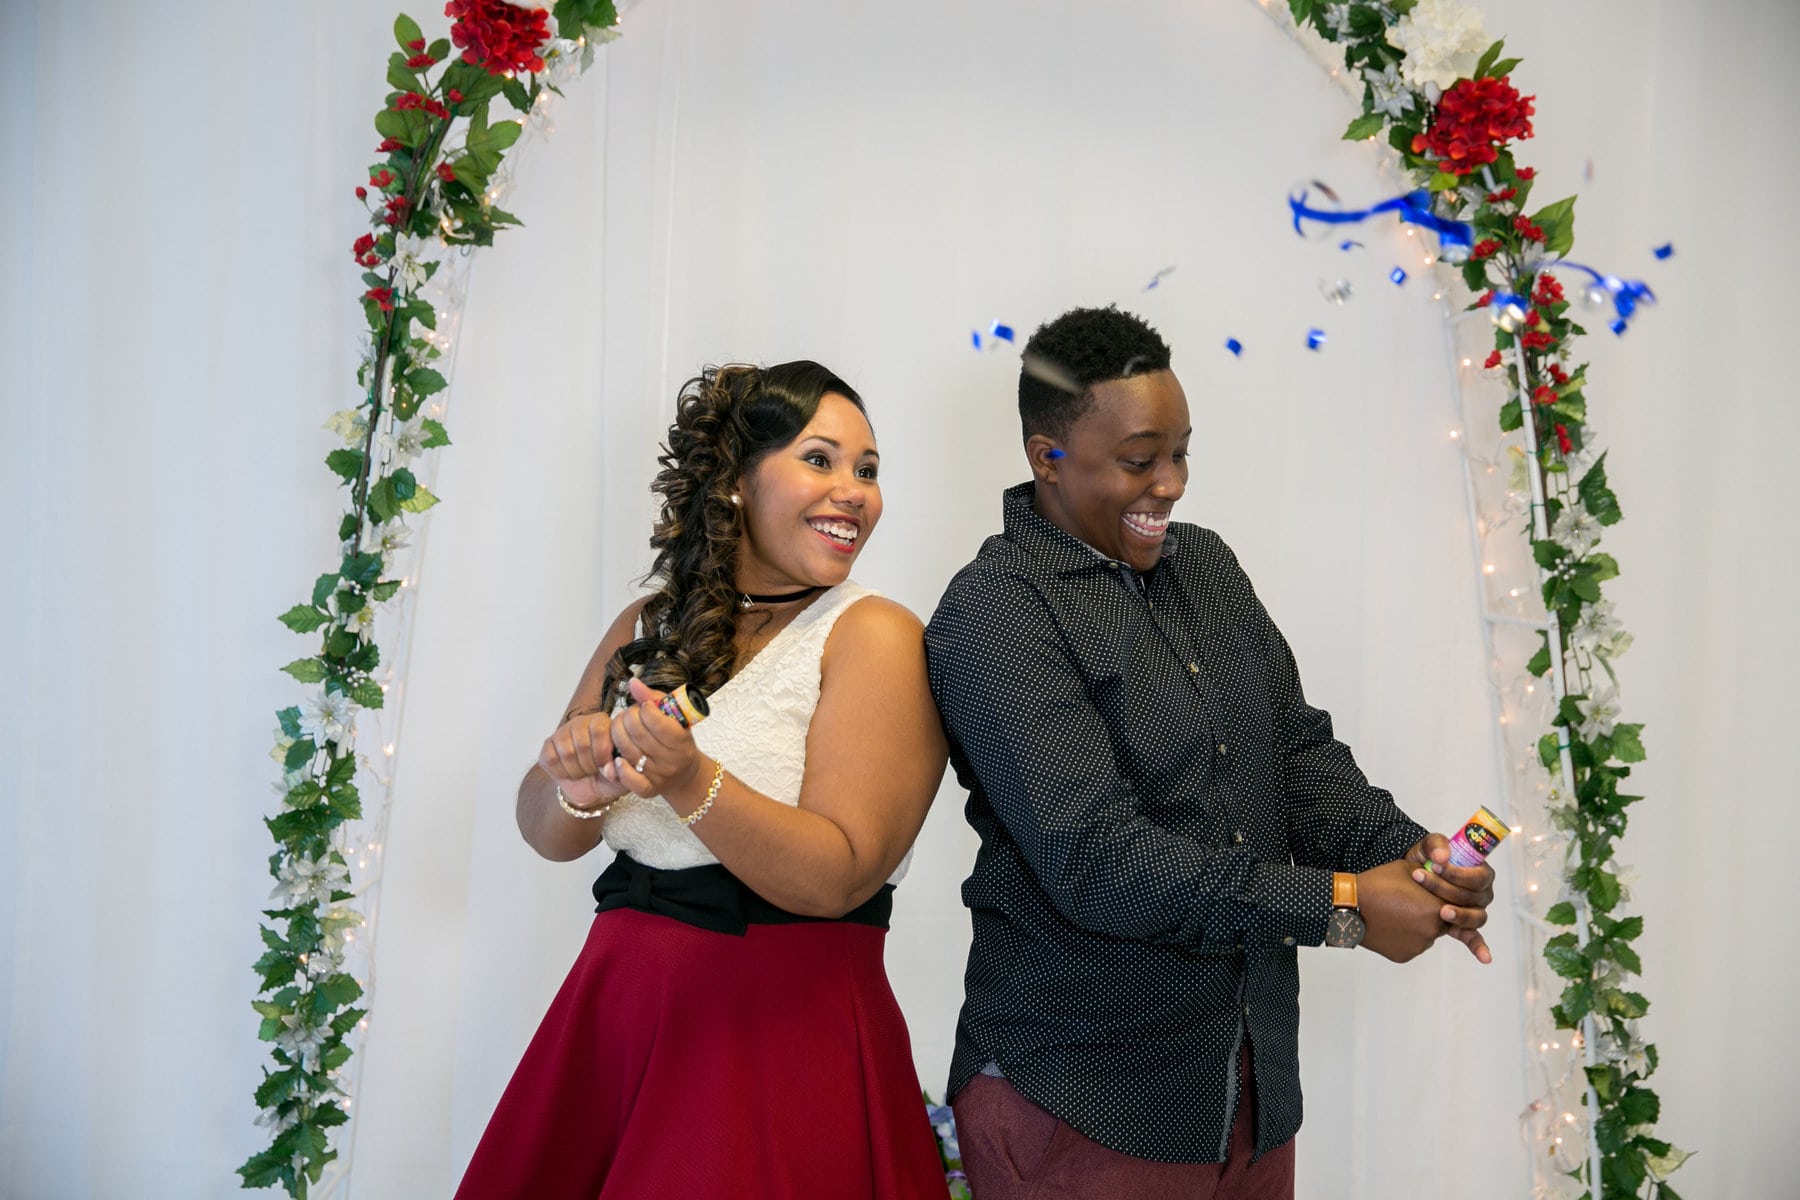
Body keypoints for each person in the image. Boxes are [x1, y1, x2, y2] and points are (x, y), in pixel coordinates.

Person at [923, 307, 1497, 1199]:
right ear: (1047, 457)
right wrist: (1346, 905)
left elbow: (1298, 757)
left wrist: (1407, 857)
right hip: (1081, 1102)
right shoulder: (995, 611)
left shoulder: (1209, 567)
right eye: (1140, 458)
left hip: (1250, 1094)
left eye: (1183, 452)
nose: (1173, 483)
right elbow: (1099, 862)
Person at [456, 361, 951, 1199]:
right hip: (617, 1015)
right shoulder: (651, 622)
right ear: (734, 483)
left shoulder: (876, 636)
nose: (854, 492)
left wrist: (688, 780)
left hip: (779, 1029)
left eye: (867, 470)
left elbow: (840, 874)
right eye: (821, 460)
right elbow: (544, 827)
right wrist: (578, 784)